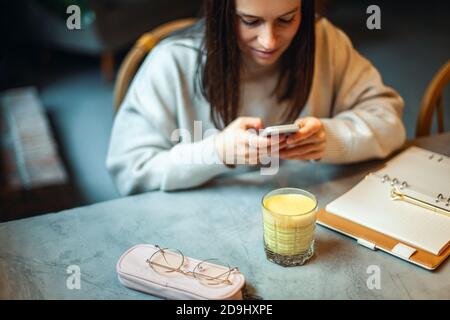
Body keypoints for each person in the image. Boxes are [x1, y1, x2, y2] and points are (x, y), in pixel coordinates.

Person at [106, 0, 406, 195]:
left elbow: (388, 121)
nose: (269, 41)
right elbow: (131, 171)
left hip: (309, 205)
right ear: (222, 15)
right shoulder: (172, 62)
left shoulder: (324, 40)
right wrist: (216, 152)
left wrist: (331, 137)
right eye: (250, 22)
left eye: (286, 20)